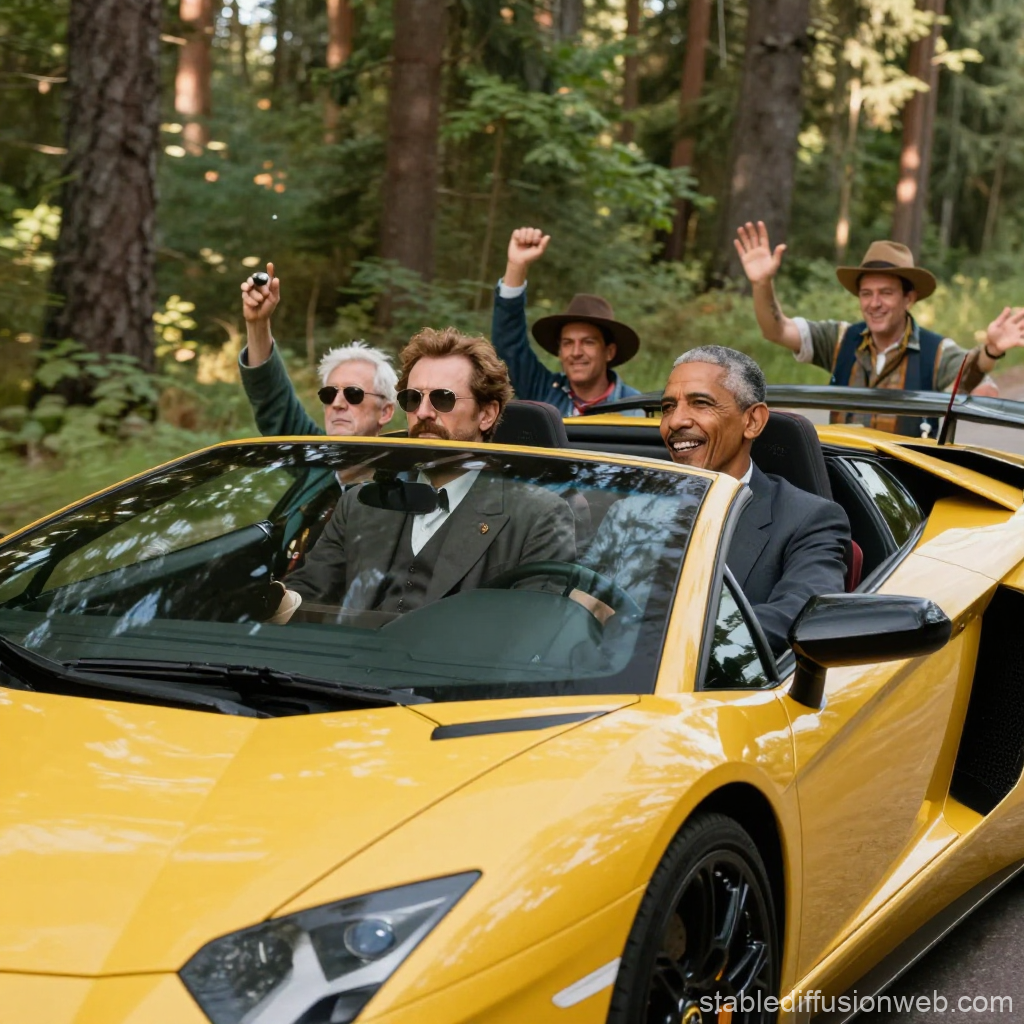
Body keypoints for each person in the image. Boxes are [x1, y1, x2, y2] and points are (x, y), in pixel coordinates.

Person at [278, 327, 576, 617]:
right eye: (413, 399)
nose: (423, 412)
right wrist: (266, 600)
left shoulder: (538, 517)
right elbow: (304, 596)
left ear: (486, 414)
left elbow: (528, 637)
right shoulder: (360, 504)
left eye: (442, 398)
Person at [588, 346, 849, 655]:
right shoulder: (630, 511)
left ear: (752, 421)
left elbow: (798, 619)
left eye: (700, 403)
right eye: (668, 407)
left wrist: (649, 635)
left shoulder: (808, 519)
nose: (675, 421)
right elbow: (580, 608)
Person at [733, 223, 1024, 436]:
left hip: (904, 487)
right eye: (866, 293)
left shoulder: (935, 351)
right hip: (841, 472)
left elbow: (969, 375)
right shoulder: (839, 339)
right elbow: (776, 330)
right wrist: (761, 284)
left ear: (908, 298)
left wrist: (991, 350)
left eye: (886, 293)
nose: (874, 303)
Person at [491, 227, 643, 416]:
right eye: (568, 343)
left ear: (609, 351)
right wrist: (516, 265)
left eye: (588, 342)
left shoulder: (635, 408)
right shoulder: (543, 392)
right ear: (560, 351)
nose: (576, 352)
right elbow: (509, 345)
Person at [240, 262, 396, 437]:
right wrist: (257, 324)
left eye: (353, 394)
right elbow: (273, 403)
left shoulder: (409, 463)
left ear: (385, 412)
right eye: (328, 394)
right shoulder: (309, 456)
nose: (337, 404)